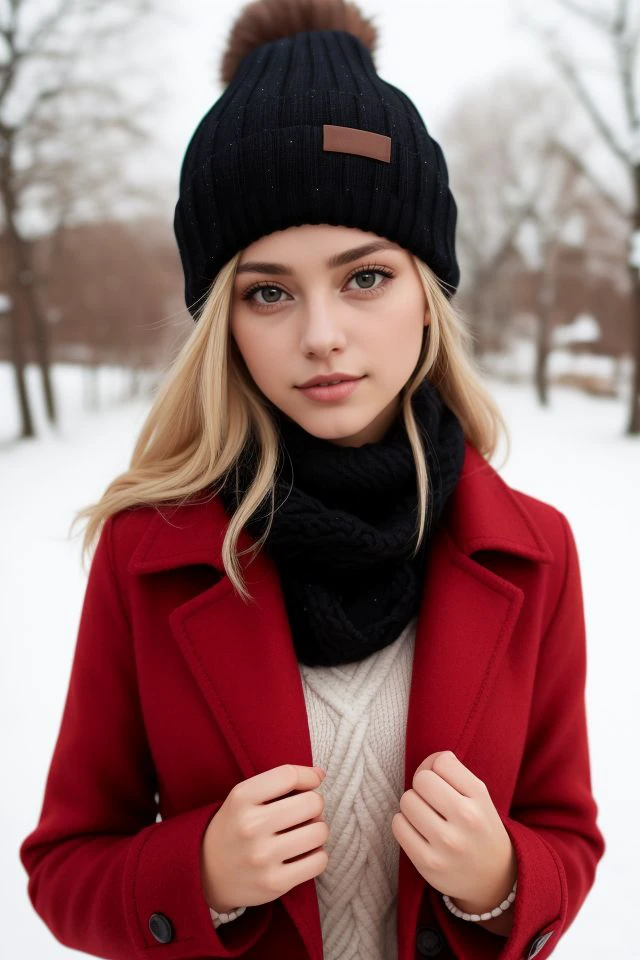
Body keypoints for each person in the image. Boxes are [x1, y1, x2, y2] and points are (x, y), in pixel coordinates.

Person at [18, 1, 606, 959]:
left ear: (427, 290)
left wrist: (501, 878)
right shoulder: (150, 551)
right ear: (225, 325)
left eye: (364, 276)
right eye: (269, 291)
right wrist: (196, 874)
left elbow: (567, 834)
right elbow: (65, 865)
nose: (321, 334)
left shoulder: (533, 552)